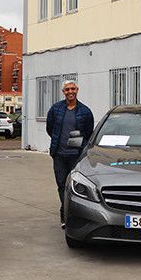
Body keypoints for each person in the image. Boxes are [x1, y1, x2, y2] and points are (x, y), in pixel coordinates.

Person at [45, 79, 94, 228]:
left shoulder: (85, 111)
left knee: (74, 186)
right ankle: (65, 213)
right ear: (63, 92)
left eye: (73, 89)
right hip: (59, 154)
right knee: (61, 185)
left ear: (77, 90)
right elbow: (50, 129)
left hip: (76, 156)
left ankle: (69, 213)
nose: (70, 92)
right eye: (67, 90)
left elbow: (88, 132)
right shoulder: (56, 109)